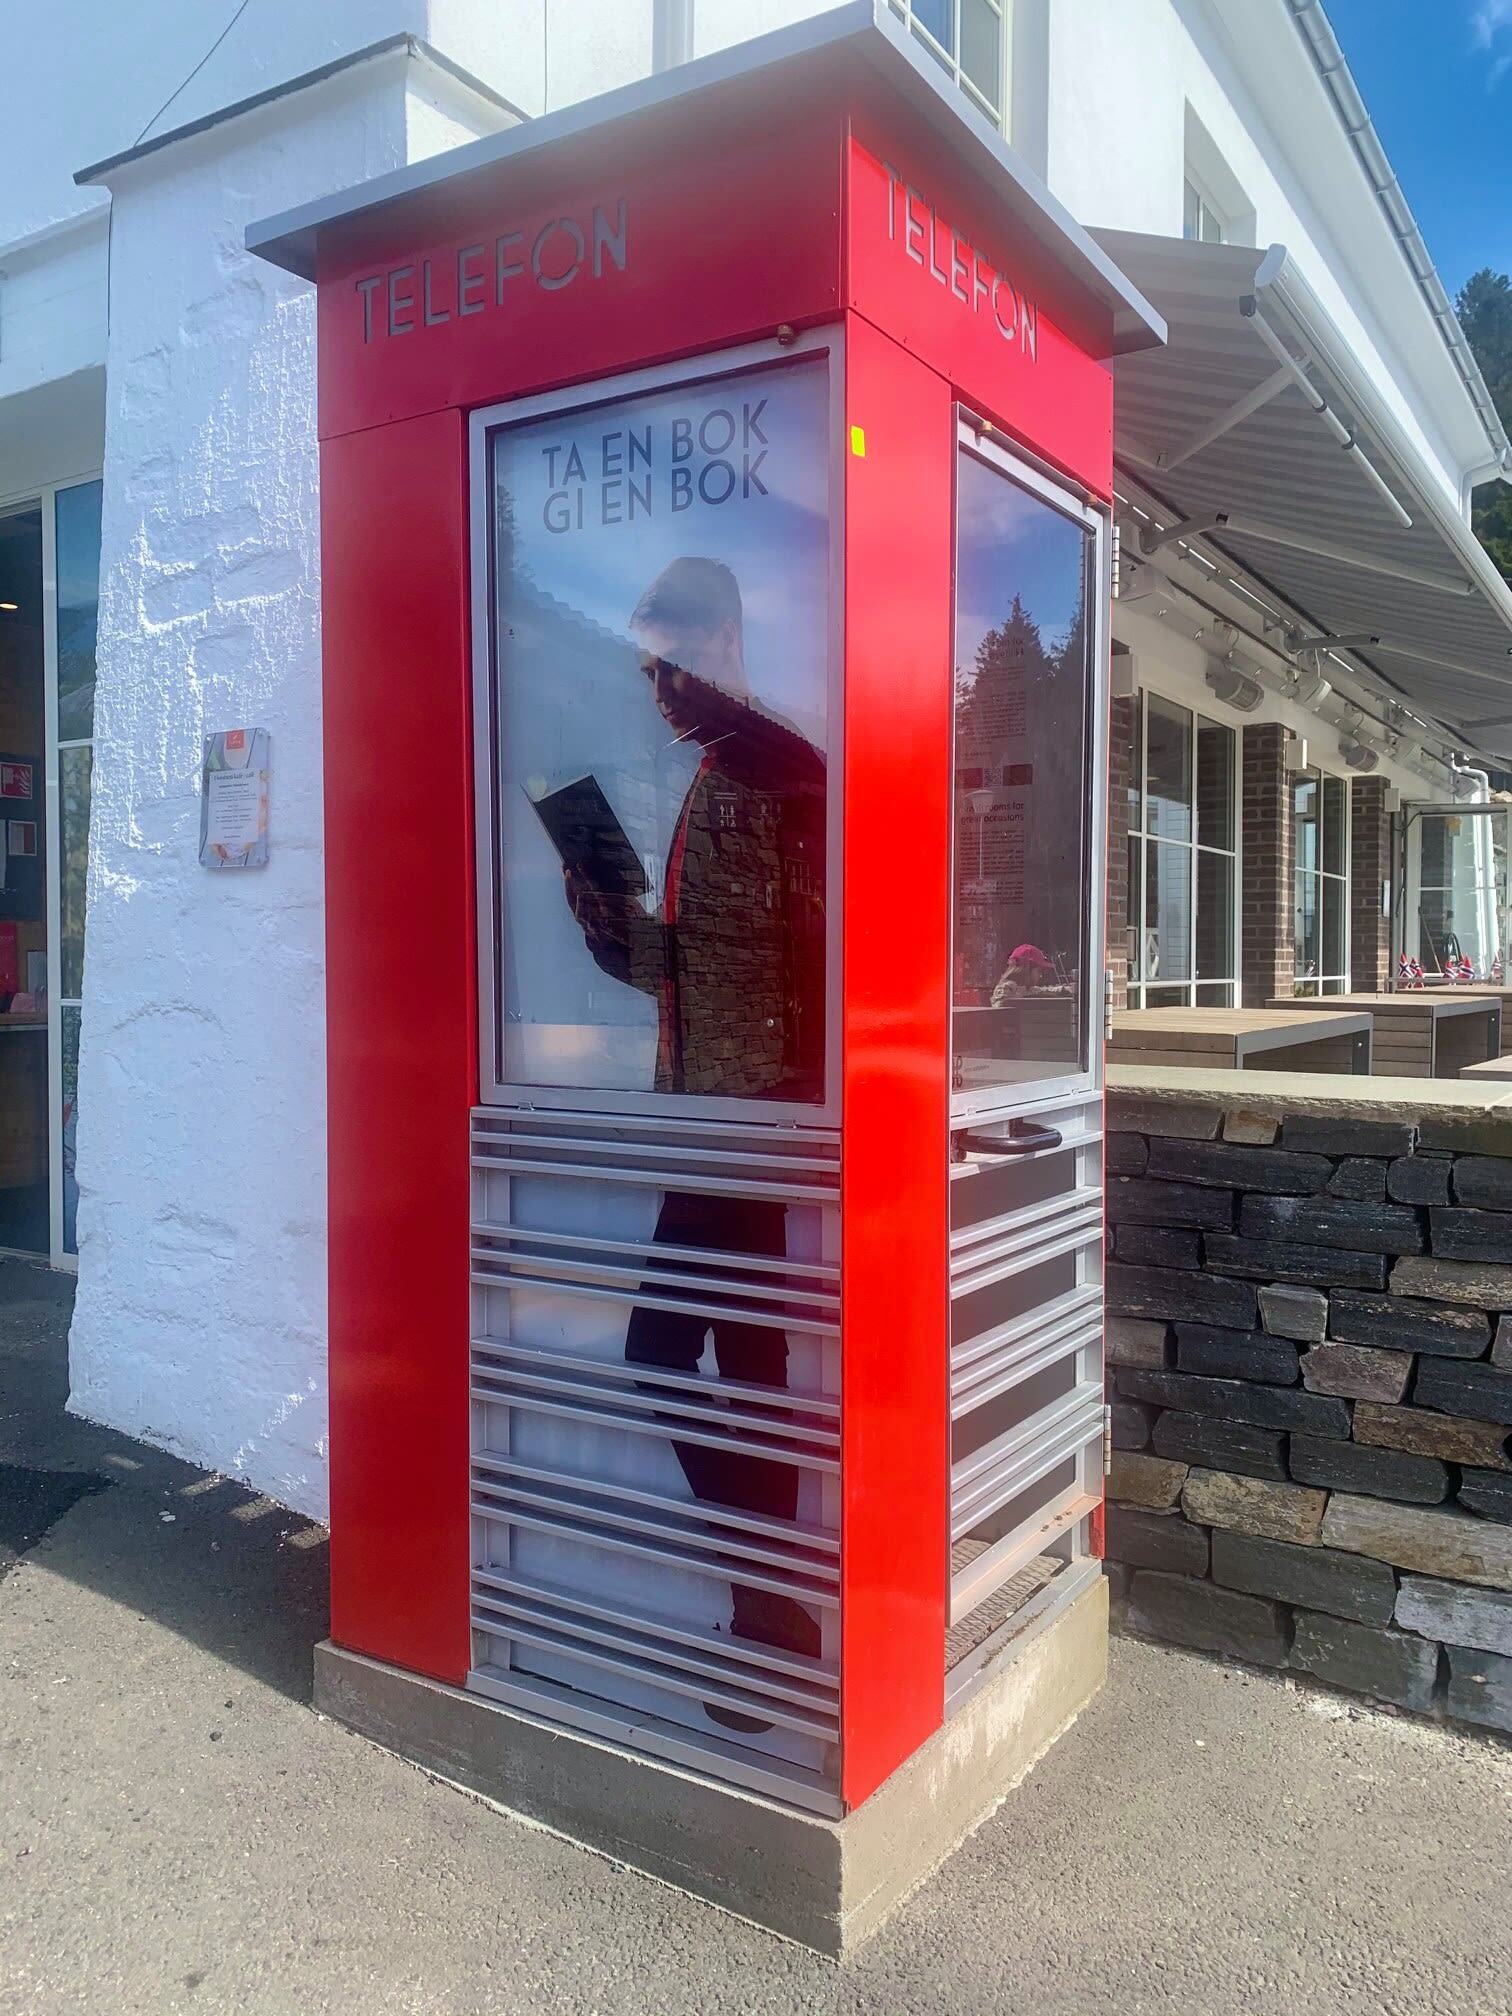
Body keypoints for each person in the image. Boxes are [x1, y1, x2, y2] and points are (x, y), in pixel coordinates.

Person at [559, 556, 827, 1723]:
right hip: (711, 1105)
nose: (653, 684)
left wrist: (799, 1116)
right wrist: (610, 928)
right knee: (753, 1362)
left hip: (749, 1115)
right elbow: (695, 967)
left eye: (664, 659)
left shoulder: (781, 770)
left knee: (658, 1355)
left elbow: (816, 963)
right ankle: (773, 1618)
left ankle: (774, 1605)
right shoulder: (724, 770)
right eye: (643, 663)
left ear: (721, 638)